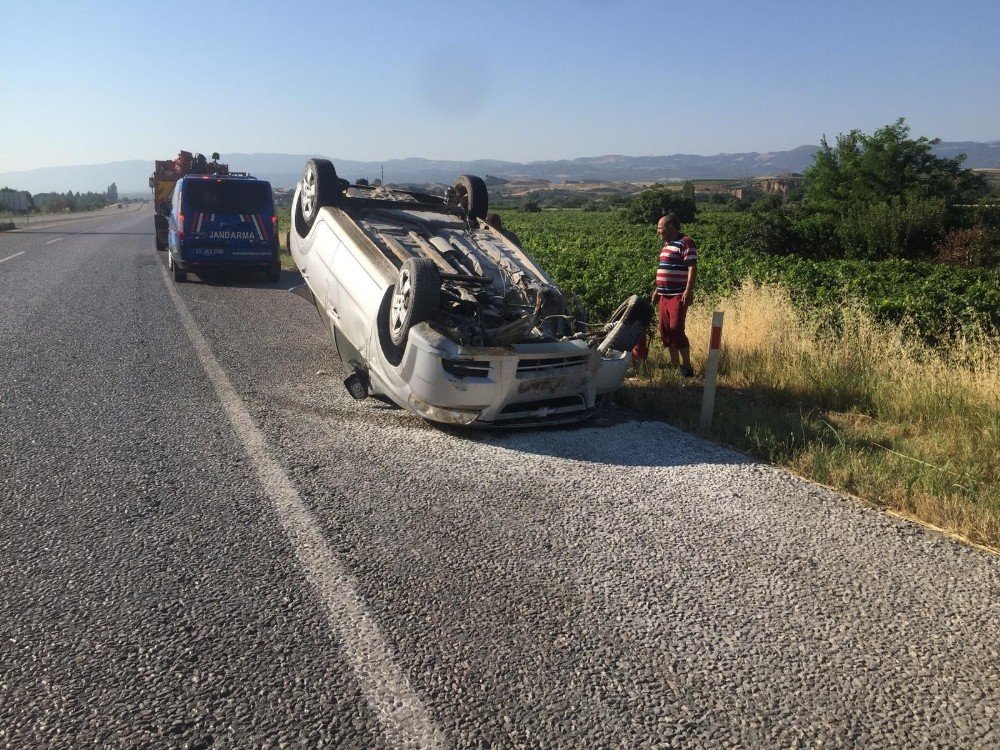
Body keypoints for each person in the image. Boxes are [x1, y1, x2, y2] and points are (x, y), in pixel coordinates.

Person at [650, 213, 697, 377]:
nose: (658, 231)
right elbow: (664, 266)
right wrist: (657, 289)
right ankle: (674, 363)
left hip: (678, 294)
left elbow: (692, 267)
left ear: (670, 226)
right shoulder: (667, 244)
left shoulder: (686, 242)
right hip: (664, 294)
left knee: (676, 329)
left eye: (659, 227)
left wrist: (688, 290)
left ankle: (687, 366)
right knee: (664, 331)